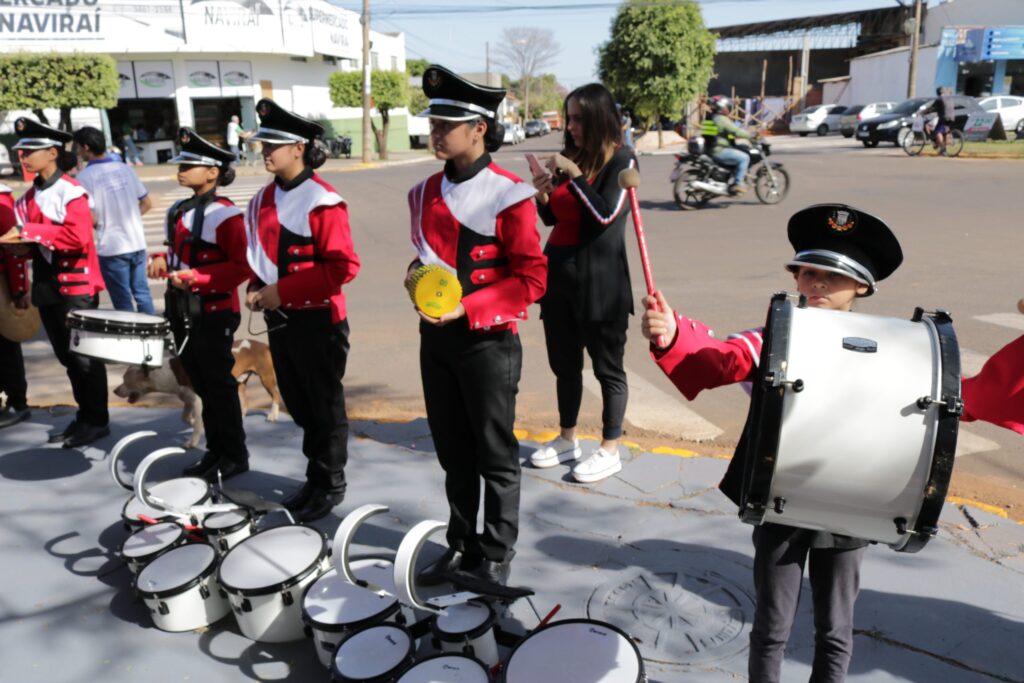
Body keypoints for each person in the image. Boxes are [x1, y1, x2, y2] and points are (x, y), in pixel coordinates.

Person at [407, 65, 546, 587]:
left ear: (480, 128)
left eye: (447, 122)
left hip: (488, 343)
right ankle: (461, 542)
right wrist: (414, 278)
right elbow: (422, 260)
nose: (435, 132)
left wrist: (467, 307)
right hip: (435, 340)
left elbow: (533, 279)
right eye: (433, 122)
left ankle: (496, 550)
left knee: (494, 453)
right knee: (452, 450)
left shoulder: (508, 194)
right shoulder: (421, 193)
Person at [245, 99, 360, 522]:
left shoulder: (322, 199)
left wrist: (282, 290)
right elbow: (263, 258)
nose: (266, 151)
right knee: (297, 400)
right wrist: (257, 286)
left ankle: (330, 482)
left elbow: (344, 266)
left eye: (273, 144)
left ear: (298, 147)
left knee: (324, 404)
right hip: (281, 318)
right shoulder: (263, 198)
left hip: (318, 319)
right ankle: (315, 477)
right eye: (264, 144)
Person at [527, 83, 637, 484]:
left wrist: (572, 178)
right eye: (568, 117)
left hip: (601, 283)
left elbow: (604, 216)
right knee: (565, 366)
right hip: (560, 280)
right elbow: (556, 220)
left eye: (577, 118)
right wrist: (544, 194)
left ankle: (610, 447)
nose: (570, 126)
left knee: (608, 369)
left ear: (597, 118)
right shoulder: (573, 158)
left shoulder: (623, 160)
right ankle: (568, 437)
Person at [147, 128, 252, 482]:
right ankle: (216, 450)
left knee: (219, 386)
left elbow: (242, 266)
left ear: (213, 173)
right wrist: (163, 259)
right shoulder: (178, 209)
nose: (181, 169)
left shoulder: (225, 215)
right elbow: (178, 252)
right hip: (181, 310)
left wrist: (198, 278)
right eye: (181, 163)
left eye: (190, 164)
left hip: (212, 312)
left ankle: (234, 455)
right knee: (202, 385)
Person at [4, 118, 109, 448]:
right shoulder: (27, 198)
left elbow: (78, 238)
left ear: (52, 152)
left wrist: (31, 234)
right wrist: (16, 246)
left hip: (76, 287)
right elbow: (31, 245)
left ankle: (98, 420)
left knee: (85, 358)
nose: (24, 156)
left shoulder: (71, 191)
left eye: (30, 150)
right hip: (48, 286)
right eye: (21, 151)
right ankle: (85, 415)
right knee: (67, 358)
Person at [74, 126, 156, 315]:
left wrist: (103, 222)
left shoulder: (84, 177)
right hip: (137, 243)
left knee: (122, 300)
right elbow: (147, 202)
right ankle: (154, 338)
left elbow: (92, 216)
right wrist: (129, 217)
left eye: (78, 147)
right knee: (143, 294)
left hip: (112, 248)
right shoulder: (124, 169)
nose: (78, 152)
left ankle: (131, 339)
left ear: (86, 147)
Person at [0, 182, 30, 430]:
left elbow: (13, 250)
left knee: (6, 345)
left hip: (1, 286)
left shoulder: (2, 203)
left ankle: (18, 402)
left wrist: (19, 289)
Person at [702, 94, 754, 194]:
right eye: (726, 106)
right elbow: (736, 131)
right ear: (721, 107)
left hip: (709, 148)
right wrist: (751, 136)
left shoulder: (709, 117)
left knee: (740, 149)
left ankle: (731, 176)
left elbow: (722, 133)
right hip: (719, 150)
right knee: (744, 158)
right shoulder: (721, 119)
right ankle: (738, 183)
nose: (728, 108)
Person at [922, 86, 956, 156]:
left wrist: (923, 112)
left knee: (937, 132)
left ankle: (943, 149)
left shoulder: (939, 99)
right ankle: (944, 150)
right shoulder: (949, 98)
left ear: (937, 93)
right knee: (945, 132)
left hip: (944, 118)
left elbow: (931, 108)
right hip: (952, 118)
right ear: (943, 92)